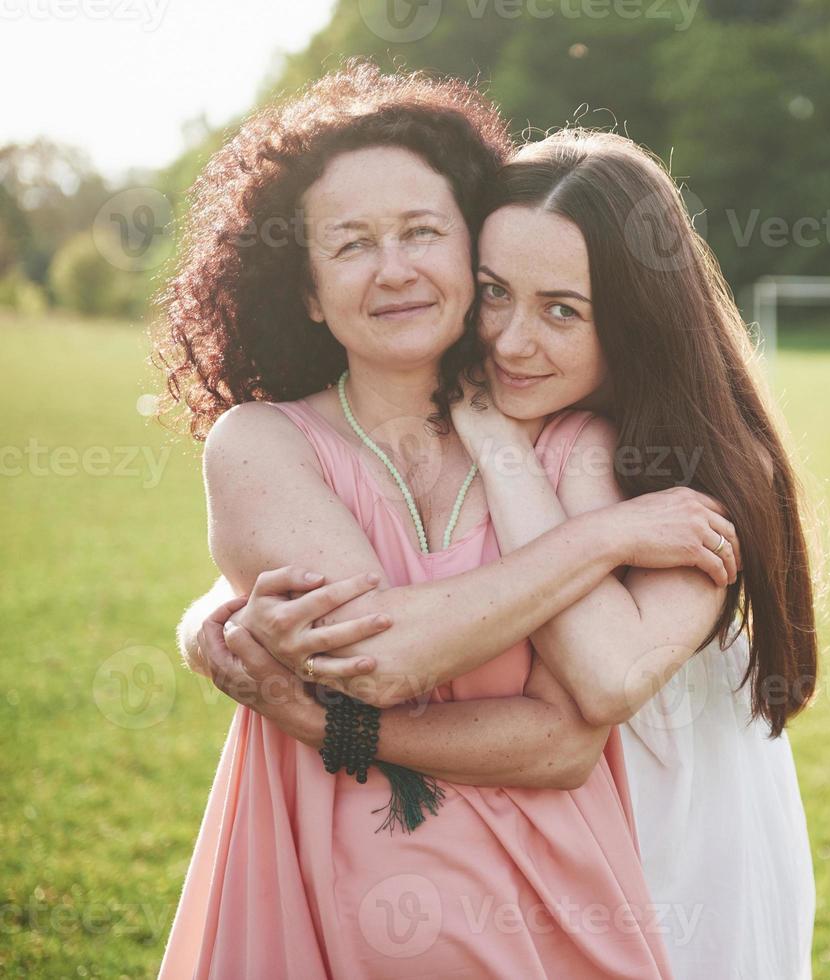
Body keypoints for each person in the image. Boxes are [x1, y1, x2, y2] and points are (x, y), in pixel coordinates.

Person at [155, 64, 734, 979]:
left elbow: (565, 738)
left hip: (546, 909)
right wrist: (605, 539)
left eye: (422, 232)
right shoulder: (260, 443)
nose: (395, 269)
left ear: (470, 254)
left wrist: (320, 711)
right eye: (350, 245)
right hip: (315, 889)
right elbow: (372, 655)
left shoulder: (573, 443)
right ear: (305, 289)